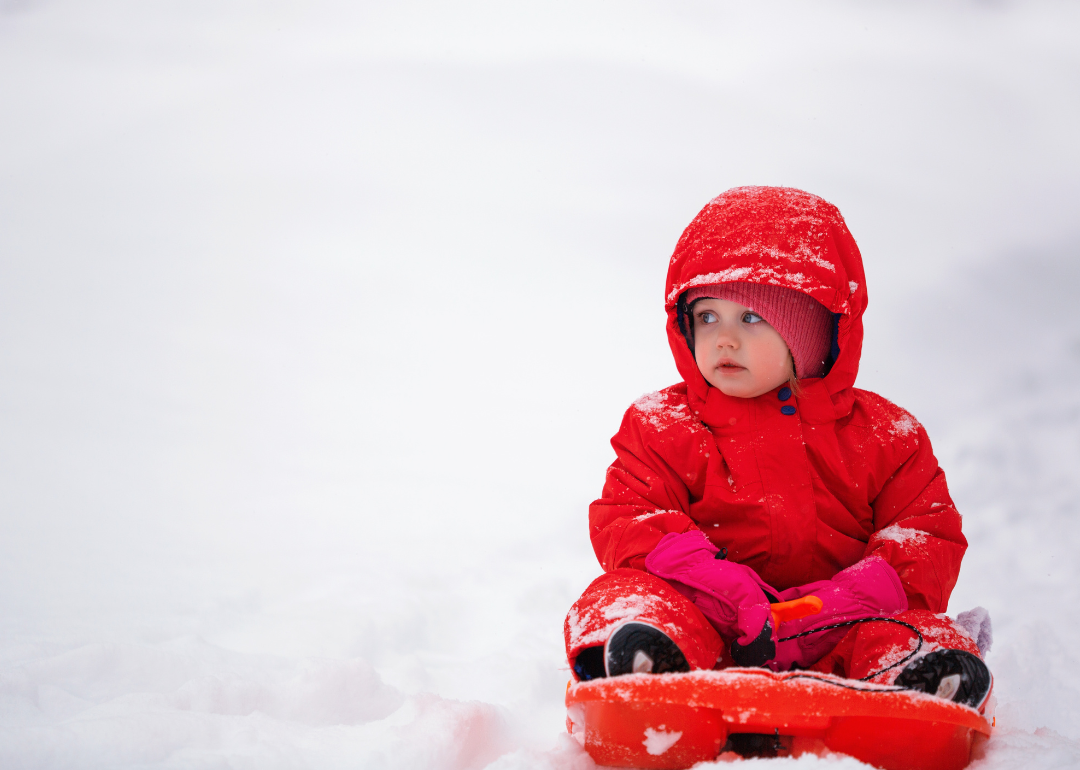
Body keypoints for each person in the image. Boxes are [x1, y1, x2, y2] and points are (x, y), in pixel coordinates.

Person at [563, 186, 992, 711]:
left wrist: (847, 599)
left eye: (750, 318)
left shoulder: (886, 435)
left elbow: (926, 534)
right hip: (712, 623)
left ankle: (919, 680)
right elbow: (631, 518)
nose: (723, 339)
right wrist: (717, 585)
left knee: (913, 627)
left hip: (846, 627)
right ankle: (646, 663)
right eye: (706, 317)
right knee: (622, 597)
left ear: (814, 332)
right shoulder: (662, 426)